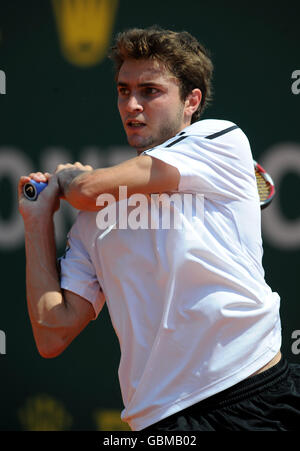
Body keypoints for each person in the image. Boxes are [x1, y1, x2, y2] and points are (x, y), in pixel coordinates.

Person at [18, 26, 300, 431]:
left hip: (256, 395)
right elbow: (52, 333)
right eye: (123, 90)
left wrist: (70, 180)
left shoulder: (219, 139)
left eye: (150, 90)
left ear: (191, 101)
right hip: (161, 422)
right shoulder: (92, 221)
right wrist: (36, 221)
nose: (131, 104)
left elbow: (85, 189)